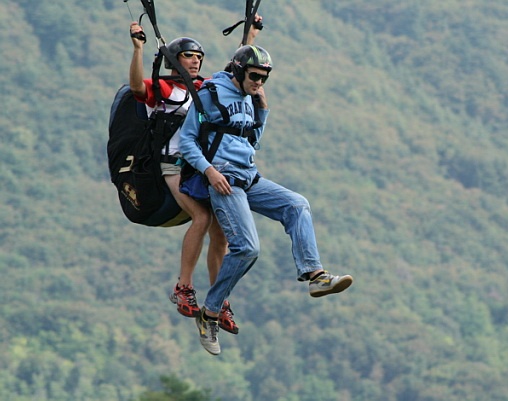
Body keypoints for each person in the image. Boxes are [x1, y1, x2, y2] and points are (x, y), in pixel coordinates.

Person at [179, 45, 354, 355]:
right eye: (255, 76)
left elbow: (252, 141)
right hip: (224, 181)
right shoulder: (211, 94)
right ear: (239, 71)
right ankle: (210, 313)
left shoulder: (250, 97)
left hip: (248, 176)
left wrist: (262, 110)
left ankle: (315, 276)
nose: (259, 82)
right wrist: (209, 172)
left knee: (297, 205)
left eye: (264, 78)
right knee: (247, 248)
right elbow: (187, 140)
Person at [128, 19, 263, 334]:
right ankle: (183, 287)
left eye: (199, 57)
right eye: (189, 56)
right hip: (174, 164)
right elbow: (136, 88)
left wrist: (250, 36)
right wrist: (138, 49)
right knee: (201, 218)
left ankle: (219, 300)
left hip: (201, 166)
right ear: (175, 61)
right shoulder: (165, 90)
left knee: (222, 232)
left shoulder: (204, 90)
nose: (195, 61)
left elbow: (236, 70)